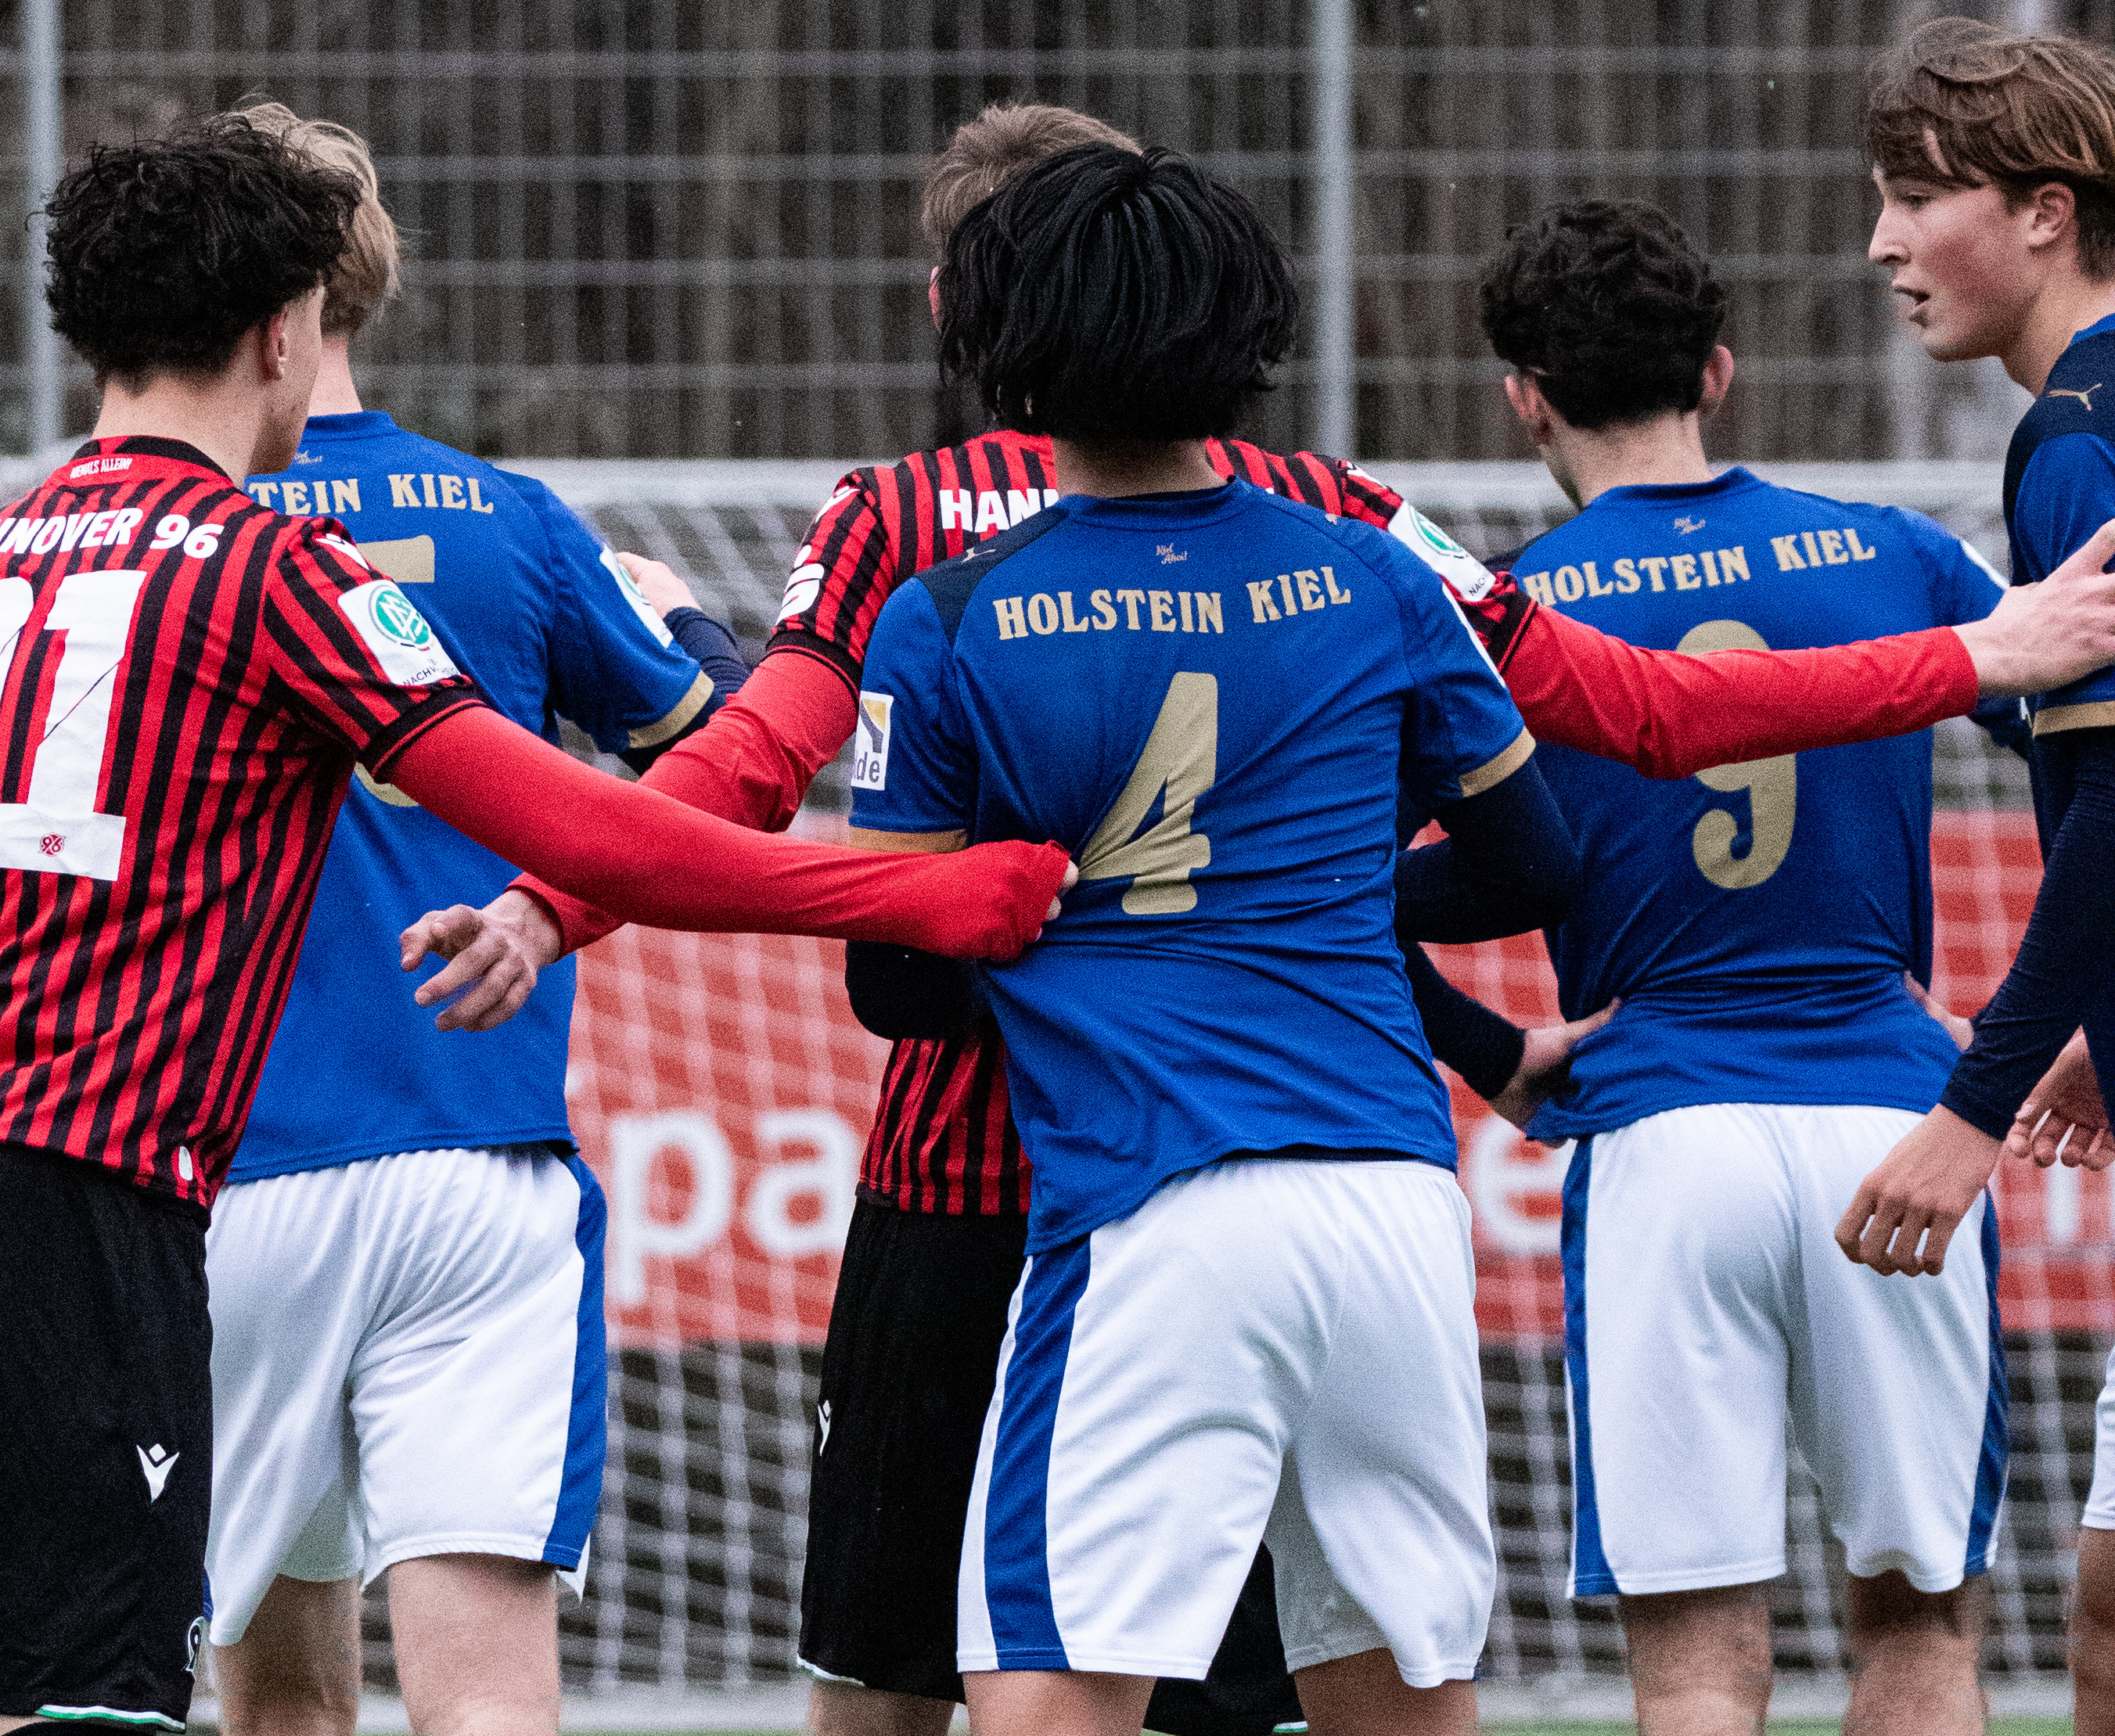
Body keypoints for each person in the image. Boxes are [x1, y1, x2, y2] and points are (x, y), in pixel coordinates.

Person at [477, 100, 2115, 1736]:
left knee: (960, 1681)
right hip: (1377, 1186)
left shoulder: (917, 560)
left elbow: (803, 837)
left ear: (969, 319)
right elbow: (1639, 715)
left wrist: (563, 900)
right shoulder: (1358, 534)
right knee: (1383, 1692)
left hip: (1077, 1190)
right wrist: (1974, 653)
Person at [0, 117, 1066, 1736]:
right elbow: (602, 832)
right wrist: (920, 890)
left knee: (100, 1695)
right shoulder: (271, 563)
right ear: (281, 333)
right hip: (124, 1202)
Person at [854, 142, 1575, 1736]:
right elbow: (1535, 859)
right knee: (1401, 1695)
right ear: (1246, 335)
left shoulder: (949, 612)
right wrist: (1305, 904)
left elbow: (892, 977)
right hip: (1391, 1200)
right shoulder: (1374, 575)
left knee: (1049, 1692)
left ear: (1001, 350)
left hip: (1149, 1206)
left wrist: (1088, 940)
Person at [201, 104, 744, 1736]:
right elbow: (723, 769)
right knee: (488, 1704)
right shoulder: (511, 520)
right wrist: (695, 630)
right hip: (476, 1162)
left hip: (230, 1176)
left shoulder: (164, 542)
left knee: (277, 1700)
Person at [1462, 199, 2013, 1736]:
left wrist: (1479, 1037)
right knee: (1921, 1631)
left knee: (1696, 1657)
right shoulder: (1895, 554)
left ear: (1524, 397)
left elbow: (1377, 877)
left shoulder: (1510, 609)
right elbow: (2075, 753)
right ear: (1717, 368)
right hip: (1894, 1129)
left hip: (1663, 1133)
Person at [1828, 16, 2115, 1736]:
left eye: (1915, 195)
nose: (1881, 242)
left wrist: (1970, 1104)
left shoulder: (2075, 440)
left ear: (2042, 211)